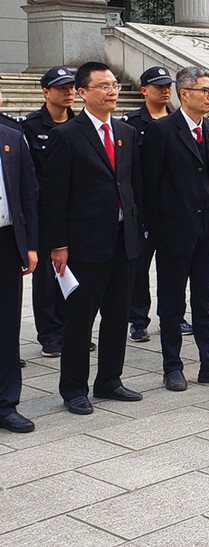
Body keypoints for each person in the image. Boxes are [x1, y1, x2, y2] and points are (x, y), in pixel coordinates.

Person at [46, 62, 143, 416]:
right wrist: (58, 244)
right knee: (80, 319)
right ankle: (73, 388)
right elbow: (55, 196)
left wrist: (139, 228)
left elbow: (132, 185)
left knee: (118, 315)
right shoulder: (66, 136)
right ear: (82, 92)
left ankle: (110, 380)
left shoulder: (126, 133)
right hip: (85, 243)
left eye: (115, 84)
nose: (112, 91)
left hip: (123, 238)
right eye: (103, 86)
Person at [141, 66, 209, 391]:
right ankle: (172, 366)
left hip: (208, 232)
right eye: (204, 90)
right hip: (174, 233)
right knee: (172, 303)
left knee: (206, 301)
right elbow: (149, 187)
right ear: (183, 94)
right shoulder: (162, 131)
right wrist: (157, 231)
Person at [22, 66, 76, 358]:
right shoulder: (29, 128)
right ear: (46, 92)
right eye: (61, 88)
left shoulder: (79, 125)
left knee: (73, 271)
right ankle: (50, 334)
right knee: (47, 276)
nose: (68, 93)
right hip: (44, 214)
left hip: (75, 213)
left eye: (71, 87)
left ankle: (70, 327)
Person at [122, 66, 177, 343]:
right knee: (139, 267)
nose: (165, 90)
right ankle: (138, 319)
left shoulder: (179, 121)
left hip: (173, 208)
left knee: (174, 267)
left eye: (168, 85)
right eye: (158, 86)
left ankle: (174, 315)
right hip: (143, 207)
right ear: (144, 90)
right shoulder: (132, 123)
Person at [0, 122, 39, 432]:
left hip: (6, 241)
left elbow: (29, 194)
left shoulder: (12, 138)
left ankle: (6, 402)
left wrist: (31, 245)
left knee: (7, 326)